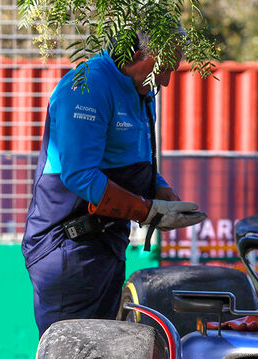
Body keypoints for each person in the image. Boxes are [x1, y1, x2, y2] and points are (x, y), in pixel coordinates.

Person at [22, 30, 206, 337]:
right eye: (162, 69)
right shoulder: (87, 87)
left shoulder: (142, 91)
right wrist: (147, 211)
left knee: (102, 357)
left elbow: (132, 159)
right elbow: (80, 175)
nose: (166, 81)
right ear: (134, 56)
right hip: (67, 248)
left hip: (107, 245)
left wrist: (160, 192)